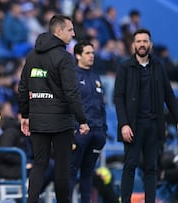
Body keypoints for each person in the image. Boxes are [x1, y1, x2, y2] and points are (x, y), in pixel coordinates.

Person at [18, 14, 90, 203]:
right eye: (70, 30)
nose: (73, 34)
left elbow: (23, 87)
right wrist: (82, 120)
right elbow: (71, 92)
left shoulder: (32, 55)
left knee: (39, 164)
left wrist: (25, 114)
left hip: (38, 119)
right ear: (58, 31)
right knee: (62, 167)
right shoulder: (64, 58)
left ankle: (31, 201)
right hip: (61, 121)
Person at [114, 28, 178, 203]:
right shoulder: (124, 66)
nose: (142, 44)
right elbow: (118, 97)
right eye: (138, 41)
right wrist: (124, 124)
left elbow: (169, 94)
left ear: (150, 45)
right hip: (133, 125)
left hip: (153, 124)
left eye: (145, 41)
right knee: (130, 166)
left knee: (151, 168)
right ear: (133, 45)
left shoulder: (158, 66)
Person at [69, 41, 107, 203]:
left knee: (88, 172)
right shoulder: (71, 76)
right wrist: (74, 128)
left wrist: (104, 129)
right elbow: (67, 104)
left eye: (92, 53)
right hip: (80, 132)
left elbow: (101, 104)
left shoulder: (95, 76)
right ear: (78, 56)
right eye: (87, 53)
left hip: (97, 132)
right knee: (70, 171)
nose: (91, 56)